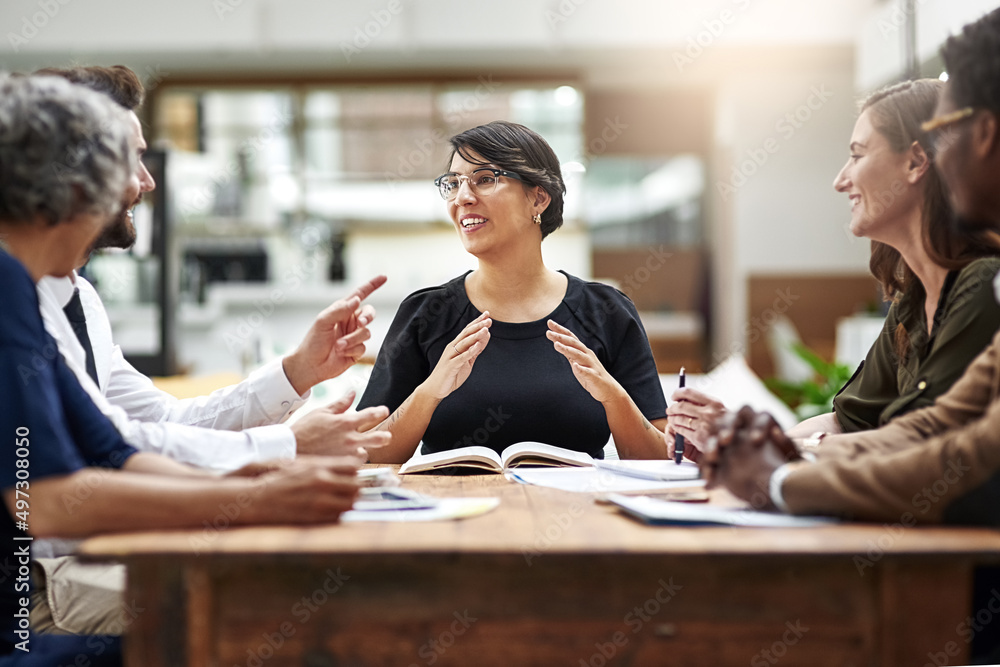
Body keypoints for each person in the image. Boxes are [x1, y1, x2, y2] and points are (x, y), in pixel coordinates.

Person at [0, 74, 362, 667]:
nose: (142, 185)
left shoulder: (37, 289)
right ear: (74, 184)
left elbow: (113, 445)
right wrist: (258, 496)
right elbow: (39, 500)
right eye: (129, 164)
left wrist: (255, 481)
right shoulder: (12, 288)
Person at [701, 8, 1000, 528]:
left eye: (946, 132)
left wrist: (778, 476)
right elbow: (932, 427)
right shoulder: (922, 297)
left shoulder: (982, 284)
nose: (938, 155)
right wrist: (772, 453)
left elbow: (965, 461)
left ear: (985, 133)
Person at [33, 66, 391, 472]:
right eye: (133, 159)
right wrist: (286, 445)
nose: (148, 182)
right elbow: (112, 442)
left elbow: (165, 423)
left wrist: (299, 369)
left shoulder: (82, 301)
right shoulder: (21, 299)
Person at [667, 79, 1000, 458]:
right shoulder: (913, 303)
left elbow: (918, 446)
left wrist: (757, 444)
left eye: (857, 156)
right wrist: (738, 445)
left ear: (915, 161)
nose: (840, 180)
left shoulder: (984, 287)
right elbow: (844, 421)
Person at [358, 121, 668, 462]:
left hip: (576, 511)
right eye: (454, 183)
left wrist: (615, 398)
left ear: (538, 198)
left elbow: (661, 462)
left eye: (485, 178)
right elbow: (366, 456)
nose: (462, 197)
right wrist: (429, 392)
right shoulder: (425, 314)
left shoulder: (607, 312)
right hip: (453, 510)